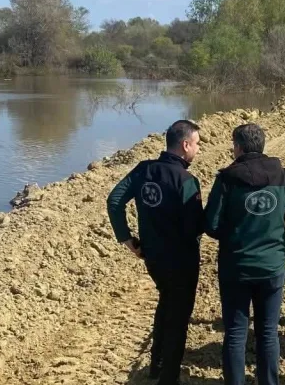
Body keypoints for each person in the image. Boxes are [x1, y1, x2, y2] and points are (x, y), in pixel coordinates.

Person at [204, 123, 285, 385]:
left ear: (238, 147)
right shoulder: (284, 177)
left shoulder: (227, 179)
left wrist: (233, 238)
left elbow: (210, 224)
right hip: (272, 267)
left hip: (236, 267)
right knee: (267, 333)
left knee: (235, 333)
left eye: (233, 145)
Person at [106, 120, 204, 385]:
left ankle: (156, 365)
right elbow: (195, 227)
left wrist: (127, 239)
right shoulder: (187, 181)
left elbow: (114, 200)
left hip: (152, 257)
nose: (198, 149)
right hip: (181, 261)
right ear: (185, 145)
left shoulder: (143, 170)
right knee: (179, 318)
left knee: (165, 302)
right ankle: (168, 377)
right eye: (197, 144)